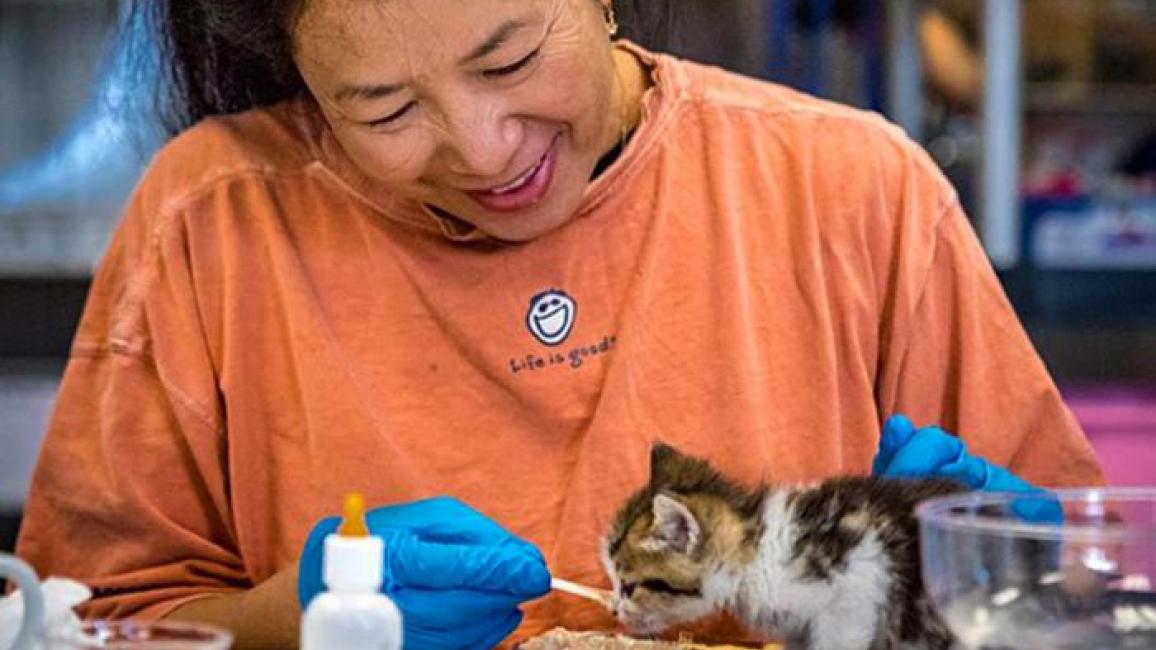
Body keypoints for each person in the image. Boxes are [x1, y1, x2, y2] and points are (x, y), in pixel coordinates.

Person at [16, 0, 1104, 648]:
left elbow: (1087, 593)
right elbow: (81, 623)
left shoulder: (852, 191)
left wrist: (1012, 572)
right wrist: (295, 618)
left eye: (510, 59)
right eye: (384, 109)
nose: (484, 147)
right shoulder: (215, 218)